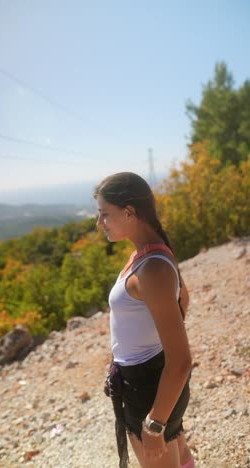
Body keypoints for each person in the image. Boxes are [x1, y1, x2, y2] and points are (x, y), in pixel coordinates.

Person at [94, 172, 194, 468]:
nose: (99, 223)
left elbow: (181, 360)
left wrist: (155, 424)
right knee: (179, 452)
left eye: (104, 214)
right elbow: (182, 299)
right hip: (150, 378)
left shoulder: (152, 268)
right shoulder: (151, 254)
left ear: (129, 212)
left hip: (149, 388)